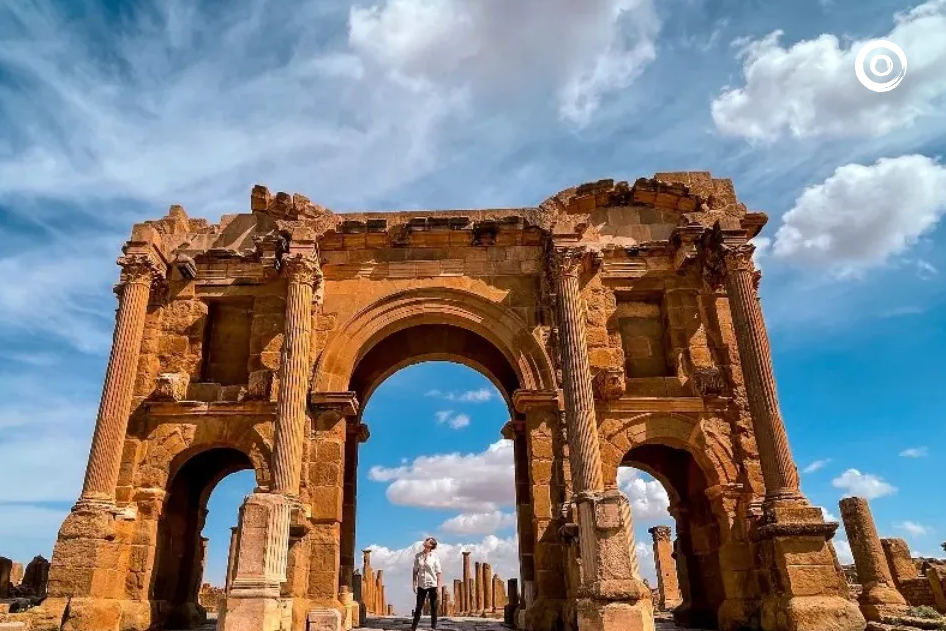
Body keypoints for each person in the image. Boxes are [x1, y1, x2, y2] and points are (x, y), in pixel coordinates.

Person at [411, 537, 442, 630]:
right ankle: (413, 627)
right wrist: (414, 583)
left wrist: (439, 586)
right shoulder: (418, 556)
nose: (425, 541)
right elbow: (415, 571)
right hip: (421, 584)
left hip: (432, 584)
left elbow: (438, 572)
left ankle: (433, 626)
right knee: (418, 607)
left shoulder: (435, 557)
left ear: (431, 545)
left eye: (427, 541)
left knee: (433, 607)